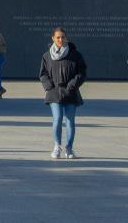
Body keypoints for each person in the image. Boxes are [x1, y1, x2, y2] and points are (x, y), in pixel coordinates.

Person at [39, 27, 87, 160]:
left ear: (66, 38)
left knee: (70, 121)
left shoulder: (75, 55)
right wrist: (48, 86)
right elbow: (43, 74)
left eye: (63, 37)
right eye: (58, 37)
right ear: (53, 38)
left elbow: (82, 72)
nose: (61, 40)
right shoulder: (47, 56)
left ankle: (69, 148)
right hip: (54, 92)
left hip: (70, 92)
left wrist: (72, 85)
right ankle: (57, 146)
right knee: (58, 118)